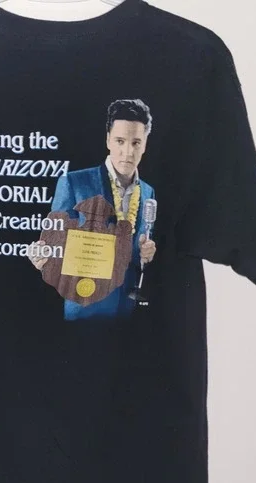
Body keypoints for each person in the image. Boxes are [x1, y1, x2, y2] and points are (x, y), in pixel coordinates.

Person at [29, 98, 157, 320]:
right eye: (120, 141)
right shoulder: (74, 183)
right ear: (108, 140)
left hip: (127, 311)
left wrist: (146, 253)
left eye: (136, 142)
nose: (128, 151)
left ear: (145, 144)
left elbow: (136, 253)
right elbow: (52, 244)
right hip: (85, 308)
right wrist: (41, 255)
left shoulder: (148, 192)